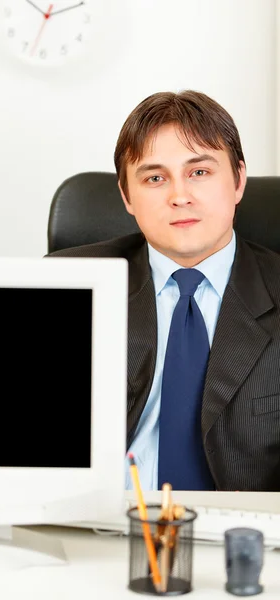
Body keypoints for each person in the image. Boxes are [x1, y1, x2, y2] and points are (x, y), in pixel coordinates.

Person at [48, 90, 280, 492]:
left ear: (239, 181)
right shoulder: (67, 286)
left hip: (246, 538)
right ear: (126, 196)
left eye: (200, 172)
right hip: (101, 525)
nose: (179, 196)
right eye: (155, 178)